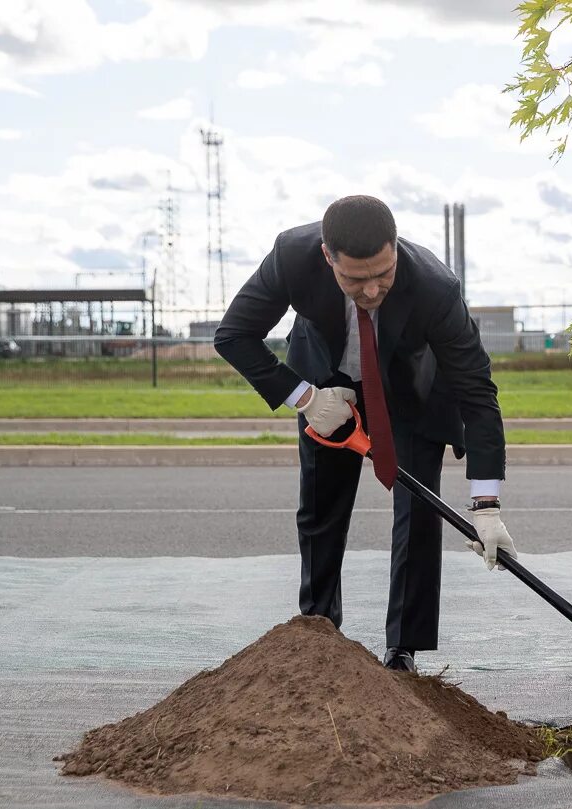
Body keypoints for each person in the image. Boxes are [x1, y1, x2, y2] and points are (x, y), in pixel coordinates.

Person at [215, 195, 515, 673]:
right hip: (326, 387)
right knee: (320, 510)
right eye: (355, 279)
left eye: (384, 273)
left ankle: (404, 649)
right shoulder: (292, 256)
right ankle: (319, 630)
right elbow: (233, 335)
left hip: (410, 395)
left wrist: (487, 504)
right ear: (326, 257)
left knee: (418, 515)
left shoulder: (435, 286)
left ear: (395, 249)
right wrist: (307, 399)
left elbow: (477, 389)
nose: (373, 290)